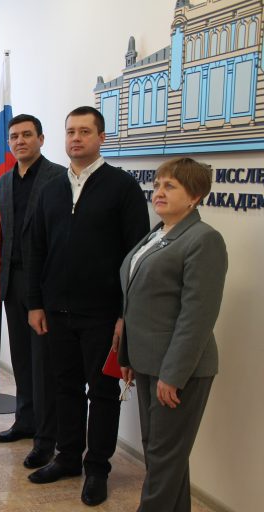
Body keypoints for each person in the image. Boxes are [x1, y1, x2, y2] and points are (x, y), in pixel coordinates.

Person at [25, 106, 149, 506]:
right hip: (56, 311)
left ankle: (97, 468)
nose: (76, 138)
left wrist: (124, 315)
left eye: (84, 131)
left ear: (101, 138)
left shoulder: (122, 187)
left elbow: (136, 256)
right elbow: (36, 250)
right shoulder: (51, 189)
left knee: (103, 392)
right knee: (64, 387)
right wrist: (35, 303)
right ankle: (67, 457)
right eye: (70, 132)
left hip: (102, 314)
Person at [118, 157, 227, 512]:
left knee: (163, 458)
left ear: (194, 197)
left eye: (170, 186)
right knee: (162, 454)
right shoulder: (158, 234)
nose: (159, 192)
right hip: (148, 362)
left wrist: (173, 374)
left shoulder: (204, 240)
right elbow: (138, 299)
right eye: (157, 185)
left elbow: (197, 317)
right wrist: (128, 356)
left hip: (179, 370)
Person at [0, 115, 65, 469]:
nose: (19, 141)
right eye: (14, 136)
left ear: (41, 138)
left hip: (44, 285)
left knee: (43, 364)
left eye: (26, 135)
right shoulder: (5, 181)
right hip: (13, 280)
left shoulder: (59, 178)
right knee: (21, 358)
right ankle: (25, 421)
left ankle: (46, 438)